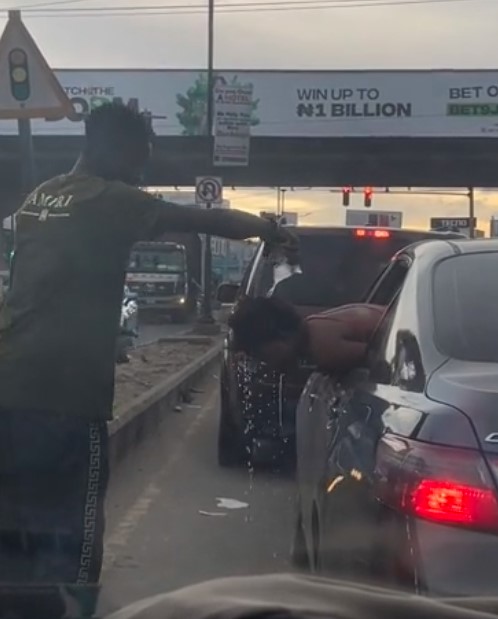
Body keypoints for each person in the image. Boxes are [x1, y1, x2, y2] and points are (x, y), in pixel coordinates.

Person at [0, 102, 296, 586]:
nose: (141, 173)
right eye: (140, 159)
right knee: (76, 536)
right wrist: (270, 229)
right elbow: (204, 220)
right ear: (118, 152)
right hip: (68, 397)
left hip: (8, 387)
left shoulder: (40, 197)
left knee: (13, 527)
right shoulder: (112, 200)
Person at [228, 296, 384, 374]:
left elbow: (382, 362)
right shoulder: (315, 326)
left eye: (261, 353)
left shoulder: (323, 347)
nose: (264, 362)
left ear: (280, 336)